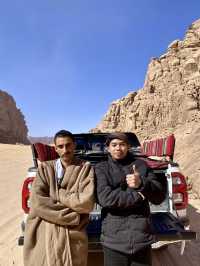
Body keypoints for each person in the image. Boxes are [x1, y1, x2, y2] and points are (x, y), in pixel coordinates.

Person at [24, 130, 95, 266]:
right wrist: (71, 216)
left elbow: (86, 203)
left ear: (74, 145)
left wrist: (57, 194)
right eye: (61, 146)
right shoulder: (45, 168)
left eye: (68, 145)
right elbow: (37, 201)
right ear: (55, 148)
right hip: (47, 225)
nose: (65, 150)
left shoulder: (85, 168)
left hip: (74, 230)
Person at [95, 132, 167, 266]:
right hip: (114, 239)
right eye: (114, 145)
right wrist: (139, 195)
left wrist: (141, 184)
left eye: (122, 144)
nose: (118, 148)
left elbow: (158, 197)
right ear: (108, 148)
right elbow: (105, 199)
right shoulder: (101, 168)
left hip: (141, 237)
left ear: (128, 146)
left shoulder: (141, 165)